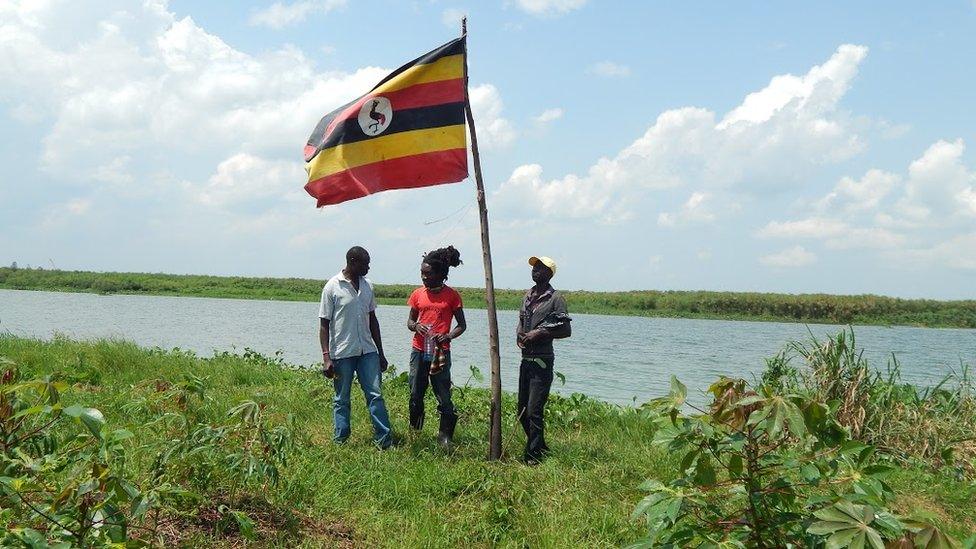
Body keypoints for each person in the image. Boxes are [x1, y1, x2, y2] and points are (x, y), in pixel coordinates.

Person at [319, 246, 393, 449]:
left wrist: (381, 353)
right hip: (342, 353)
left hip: (368, 351)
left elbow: (373, 320)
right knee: (341, 398)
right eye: (365, 263)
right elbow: (324, 324)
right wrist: (326, 358)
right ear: (352, 261)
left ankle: (384, 441)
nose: (368, 267)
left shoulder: (368, 286)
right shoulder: (333, 287)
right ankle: (340, 440)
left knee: (375, 395)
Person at [406, 246, 467, 449]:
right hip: (419, 349)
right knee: (416, 393)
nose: (424, 277)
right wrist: (416, 326)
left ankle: (444, 437)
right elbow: (410, 322)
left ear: (441, 274)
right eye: (422, 273)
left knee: (443, 394)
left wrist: (447, 335)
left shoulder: (452, 296)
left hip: (440, 351)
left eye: (428, 273)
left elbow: (462, 326)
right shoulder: (417, 295)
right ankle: (415, 432)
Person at [516, 255, 572, 464]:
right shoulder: (527, 296)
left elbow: (565, 330)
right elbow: (521, 321)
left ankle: (533, 457)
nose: (535, 271)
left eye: (540, 268)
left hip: (542, 361)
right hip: (526, 360)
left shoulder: (556, 298)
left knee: (534, 410)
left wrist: (538, 334)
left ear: (550, 274)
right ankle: (540, 445)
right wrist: (520, 335)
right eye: (534, 267)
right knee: (522, 410)